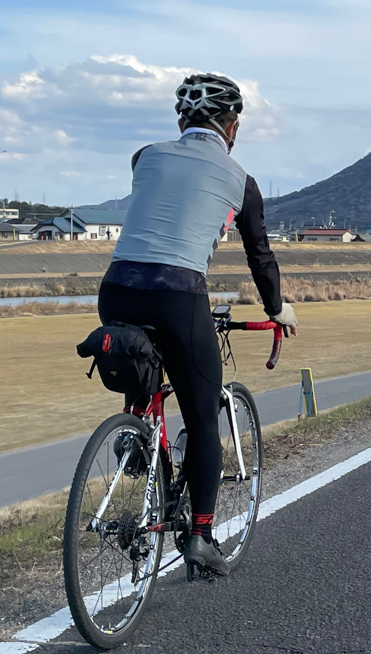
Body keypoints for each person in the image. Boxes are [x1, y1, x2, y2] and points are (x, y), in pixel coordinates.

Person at [98, 72, 297, 576]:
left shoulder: (145, 155)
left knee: (143, 355)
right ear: (231, 126)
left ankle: (136, 430)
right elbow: (260, 256)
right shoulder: (243, 182)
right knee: (204, 415)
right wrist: (277, 309)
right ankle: (202, 536)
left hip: (116, 286)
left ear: (182, 120)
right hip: (178, 293)